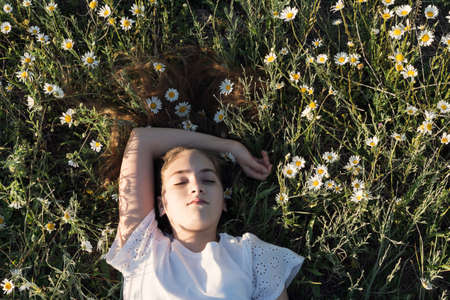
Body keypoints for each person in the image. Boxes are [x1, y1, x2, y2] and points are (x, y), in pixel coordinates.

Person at [105, 126, 304, 299]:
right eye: (181, 182)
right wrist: (230, 147)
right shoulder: (142, 249)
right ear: (162, 205)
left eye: (208, 180)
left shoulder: (252, 255)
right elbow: (141, 140)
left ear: (223, 202)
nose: (196, 187)